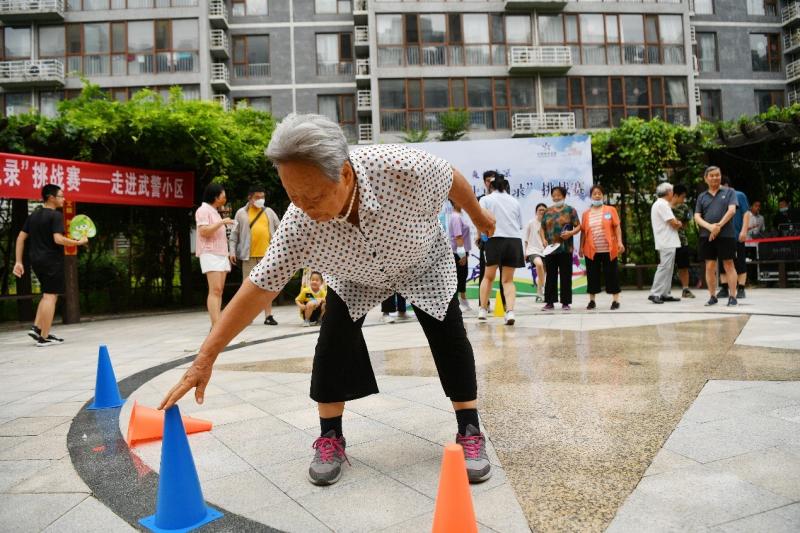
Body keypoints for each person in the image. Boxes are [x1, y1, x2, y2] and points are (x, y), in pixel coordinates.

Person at [160, 114, 497, 487]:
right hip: (354, 275)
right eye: (294, 197)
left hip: (422, 260)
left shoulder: (402, 168)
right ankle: (330, 437)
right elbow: (259, 287)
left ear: (346, 175)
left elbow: (453, 179)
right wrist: (205, 358)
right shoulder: (298, 222)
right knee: (333, 340)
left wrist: (480, 217)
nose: (305, 208)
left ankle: (469, 429)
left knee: (449, 334)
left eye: (315, 196)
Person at [13, 184, 88, 347]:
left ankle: (38, 328)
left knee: (47, 294)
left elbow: (20, 238)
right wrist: (78, 242)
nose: (64, 199)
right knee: (51, 296)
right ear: (51, 197)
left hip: (36, 260)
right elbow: (58, 239)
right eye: (61, 196)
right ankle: (43, 337)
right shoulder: (55, 216)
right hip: (51, 261)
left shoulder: (34, 215)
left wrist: (18, 261)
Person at [229, 184, 281, 325]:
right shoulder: (241, 213)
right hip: (248, 256)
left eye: (262, 197)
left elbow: (280, 229)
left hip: (267, 255)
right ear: (250, 198)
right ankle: (247, 316)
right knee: (248, 287)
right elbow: (234, 235)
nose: (260, 200)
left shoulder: (269, 212)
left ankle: (268, 316)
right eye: (257, 197)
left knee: (268, 286)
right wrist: (232, 251)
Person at [478, 174, 524, 325]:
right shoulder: (514, 201)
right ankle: (510, 312)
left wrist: (481, 237)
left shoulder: (485, 199)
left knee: (488, 277)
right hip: (514, 241)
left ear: (491, 186)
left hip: (494, 239)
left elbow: (481, 220)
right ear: (505, 186)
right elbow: (520, 225)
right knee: (508, 280)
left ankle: (483, 310)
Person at [694, 166, 738, 306]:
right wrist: (710, 227)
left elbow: (731, 211)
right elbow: (697, 216)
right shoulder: (702, 196)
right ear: (706, 178)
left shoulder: (730, 192)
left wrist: (718, 226)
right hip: (706, 235)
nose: (715, 178)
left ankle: (733, 296)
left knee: (728, 264)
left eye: (717, 175)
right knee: (710, 265)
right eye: (711, 175)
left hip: (726, 235)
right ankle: (712, 296)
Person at [196, 183, 235, 326]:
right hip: (210, 253)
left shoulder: (215, 211)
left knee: (219, 290)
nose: (225, 198)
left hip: (221, 253)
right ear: (215, 196)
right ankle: (215, 324)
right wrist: (222, 223)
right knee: (215, 289)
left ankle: (217, 322)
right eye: (223, 196)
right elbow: (204, 231)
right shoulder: (203, 210)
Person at [579, 185, 624, 310]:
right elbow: (583, 232)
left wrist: (620, 242)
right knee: (592, 275)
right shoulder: (586, 214)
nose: (597, 195)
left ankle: (615, 301)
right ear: (591, 196)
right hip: (591, 250)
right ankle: (592, 301)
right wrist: (581, 247)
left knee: (612, 274)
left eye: (599, 193)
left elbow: (617, 227)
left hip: (609, 250)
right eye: (594, 193)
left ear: (602, 195)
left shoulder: (610, 210)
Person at [541, 186, 581, 311]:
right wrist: (543, 239)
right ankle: (549, 302)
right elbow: (542, 228)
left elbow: (579, 226)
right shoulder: (547, 211)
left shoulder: (570, 210)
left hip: (565, 248)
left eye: (559, 195)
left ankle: (565, 302)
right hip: (550, 249)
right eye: (554, 195)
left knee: (565, 276)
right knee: (551, 276)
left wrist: (571, 233)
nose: (556, 197)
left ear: (564, 196)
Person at [649, 183, 682, 305]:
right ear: (668, 192)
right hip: (666, 240)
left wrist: (676, 223)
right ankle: (655, 293)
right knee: (664, 267)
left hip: (667, 240)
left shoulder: (661, 204)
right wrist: (678, 223)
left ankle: (665, 293)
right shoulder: (662, 204)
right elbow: (673, 223)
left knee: (669, 268)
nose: (673, 193)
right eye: (672, 191)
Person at [717, 176, 750, 300]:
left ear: (725, 185)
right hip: (723, 236)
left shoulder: (739, 195)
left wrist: (744, 230)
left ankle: (741, 288)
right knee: (723, 263)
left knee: (740, 261)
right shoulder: (718, 198)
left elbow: (746, 213)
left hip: (737, 235)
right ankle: (725, 288)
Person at [476, 170, 505, 309]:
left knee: (504, 272)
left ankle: (506, 303)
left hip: (503, 238)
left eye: (492, 180)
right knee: (485, 272)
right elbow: (477, 219)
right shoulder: (481, 198)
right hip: (487, 238)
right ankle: (484, 304)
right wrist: (479, 236)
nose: (490, 182)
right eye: (487, 180)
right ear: (484, 182)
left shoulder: (504, 197)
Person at [671, 184, 695, 299]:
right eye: (683, 196)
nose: (683, 199)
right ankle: (664, 290)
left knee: (684, 266)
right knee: (666, 267)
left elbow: (685, 223)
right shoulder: (664, 206)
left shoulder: (684, 207)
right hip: (668, 241)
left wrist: (680, 226)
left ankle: (685, 289)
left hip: (681, 240)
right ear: (675, 195)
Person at [449, 200, 472, 312]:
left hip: (462, 251)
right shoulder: (456, 217)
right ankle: (459, 303)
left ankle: (463, 300)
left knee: (462, 276)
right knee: (459, 277)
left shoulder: (460, 215)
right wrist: (462, 254)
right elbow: (458, 237)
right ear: (455, 202)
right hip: (458, 252)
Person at [523, 203, 547, 302]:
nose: (542, 212)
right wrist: (525, 252)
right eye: (540, 210)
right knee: (539, 264)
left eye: (543, 210)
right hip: (533, 250)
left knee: (544, 271)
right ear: (536, 212)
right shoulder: (531, 223)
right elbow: (526, 239)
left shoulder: (548, 223)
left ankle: (539, 292)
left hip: (546, 251)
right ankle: (541, 288)